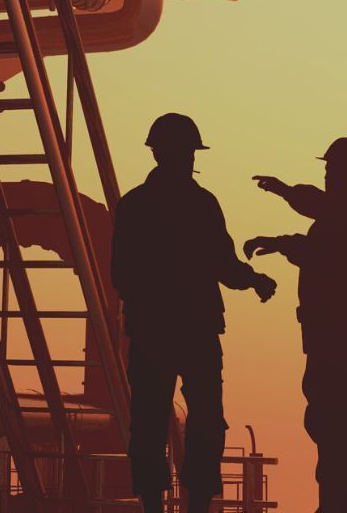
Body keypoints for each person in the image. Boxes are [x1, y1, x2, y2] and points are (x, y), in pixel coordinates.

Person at [111, 113, 276, 513]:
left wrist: (251, 278)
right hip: (194, 330)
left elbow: (121, 273)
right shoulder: (201, 204)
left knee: (154, 422)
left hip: (156, 332)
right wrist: (253, 280)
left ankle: (160, 502)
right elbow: (223, 264)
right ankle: (194, 503)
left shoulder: (135, 204)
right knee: (200, 420)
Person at [245, 137, 347, 513]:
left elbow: (325, 241)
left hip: (343, 335)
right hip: (330, 334)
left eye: (333, 168)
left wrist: (282, 197)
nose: (326, 174)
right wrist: (283, 241)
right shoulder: (343, 215)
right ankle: (342, 496)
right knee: (328, 417)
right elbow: (321, 248)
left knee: (333, 416)